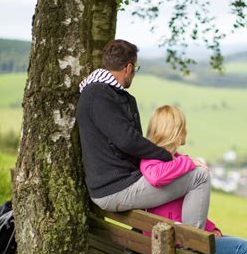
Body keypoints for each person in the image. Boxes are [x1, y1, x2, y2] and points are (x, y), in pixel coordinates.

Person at [76, 39, 212, 233]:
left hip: (115, 185)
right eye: (135, 68)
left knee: (176, 177)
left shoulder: (102, 93)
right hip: (116, 188)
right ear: (128, 67)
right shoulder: (100, 94)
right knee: (199, 177)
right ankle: (193, 250)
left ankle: (137, 248)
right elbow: (128, 140)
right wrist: (167, 156)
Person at [140, 105, 247, 254]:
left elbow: (190, 210)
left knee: (235, 243)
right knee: (243, 248)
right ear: (174, 131)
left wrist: (211, 229)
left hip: (170, 248)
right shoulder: (154, 161)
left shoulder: (172, 161)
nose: (186, 131)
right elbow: (156, 178)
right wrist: (188, 162)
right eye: (183, 126)